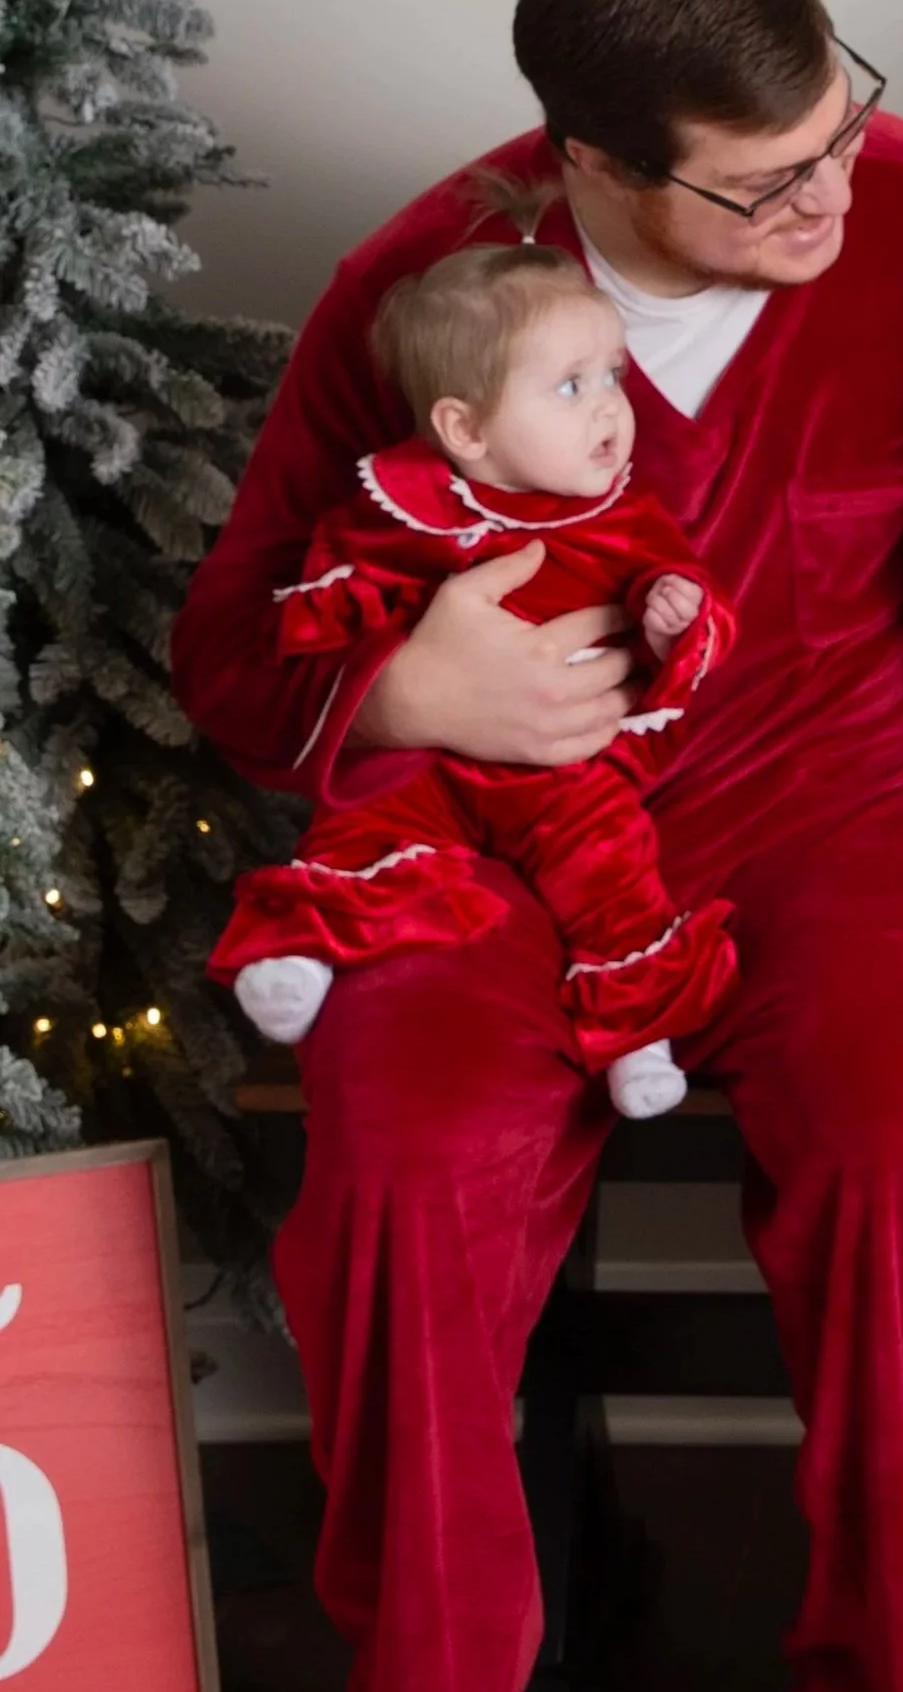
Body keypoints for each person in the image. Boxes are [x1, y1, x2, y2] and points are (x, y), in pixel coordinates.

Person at [173, 0, 903, 1692]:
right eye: (759, 187)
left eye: (837, 125)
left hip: (835, 807)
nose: (828, 194)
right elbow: (227, 653)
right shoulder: (425, 286)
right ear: (587, 164)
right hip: (480, 837)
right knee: (398, 1169)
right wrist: (392, 686)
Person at [210, 245, 737, 1121]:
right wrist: (360, 638)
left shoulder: (624, 515)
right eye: (571, 386)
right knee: (359, 825)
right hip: (426, 761)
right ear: (465, 430)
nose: (610, 404)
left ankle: (637, 1029)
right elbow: (326, 605)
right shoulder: (398, 507)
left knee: (611, 865)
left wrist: (672, 613)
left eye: (614, 373)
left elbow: (678, 590)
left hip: (567, 772)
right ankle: (307, 947)